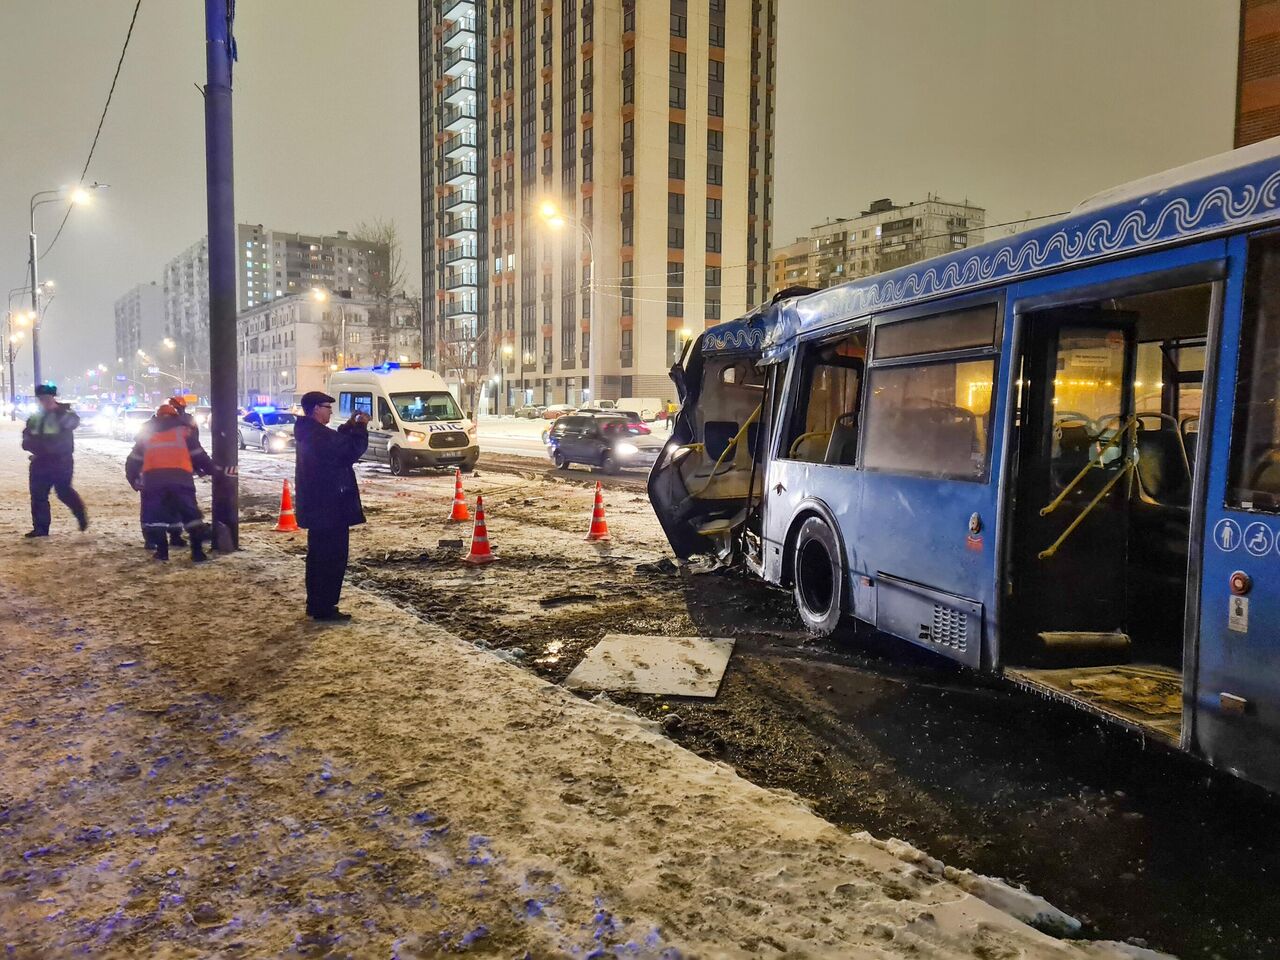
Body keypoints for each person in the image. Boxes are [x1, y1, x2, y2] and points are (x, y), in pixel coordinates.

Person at [294, 390, 368, 621]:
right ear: (316, 408)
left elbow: (336, 443)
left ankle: (317, 603)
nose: (330, 411)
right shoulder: (316, 435)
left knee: (318, 557)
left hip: (320, 507)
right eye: (327, 407)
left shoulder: (310, 432)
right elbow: (347, 451)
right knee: (331, 558)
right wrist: (360, 428)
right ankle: (324, 606)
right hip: (330, 507)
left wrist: (348, 427)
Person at [125, 404, 216, 562]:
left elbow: (133, 461)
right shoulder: (184, 431)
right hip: (181, 480)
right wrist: (213, 469)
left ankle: (162, 552)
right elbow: (199, 455)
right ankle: (197, 552)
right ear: (175, 416)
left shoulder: (146, 434)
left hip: (153, 481)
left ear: (156, 417)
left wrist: (133, 480)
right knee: (191, 516)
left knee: (156, 518)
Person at [21, 384, 88, 538]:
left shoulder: (65, 413)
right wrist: (32, 446)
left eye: (47, 398)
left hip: (61, 461)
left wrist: (58, 414)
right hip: (40, 461)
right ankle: (41, 529)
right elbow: (26, 438)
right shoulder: (35, 418)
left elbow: (73, 423)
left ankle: (81, 515)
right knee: (38, 495)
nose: (44, 401)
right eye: (41, 399)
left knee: (63, 491)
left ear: (53, 398)